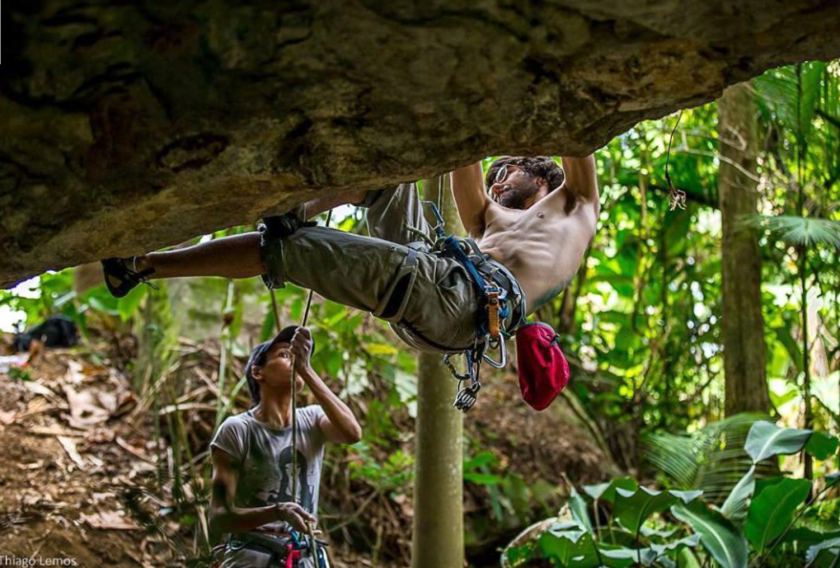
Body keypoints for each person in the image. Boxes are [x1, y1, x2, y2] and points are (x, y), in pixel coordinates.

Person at [101, 155, 598, 355]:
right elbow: (463, 159)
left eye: (509, 171)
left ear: (542, 181)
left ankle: (144, 266)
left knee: (287, 253)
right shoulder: (490, 221)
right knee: (389, 178)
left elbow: (580, 141)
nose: (497, 177)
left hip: (460, 301)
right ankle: (296, 211)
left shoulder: (577, 208)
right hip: (445, 275)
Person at [209, 325, 362, 567]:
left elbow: (352, 433)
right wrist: (278, 511)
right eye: (283, 354)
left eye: (297, 355)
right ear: (258, 373)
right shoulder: (237, 430)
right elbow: (219, 518)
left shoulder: (313, 419)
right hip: (251, 557)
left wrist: (307, 370)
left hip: (305, 557)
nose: (294, 359)